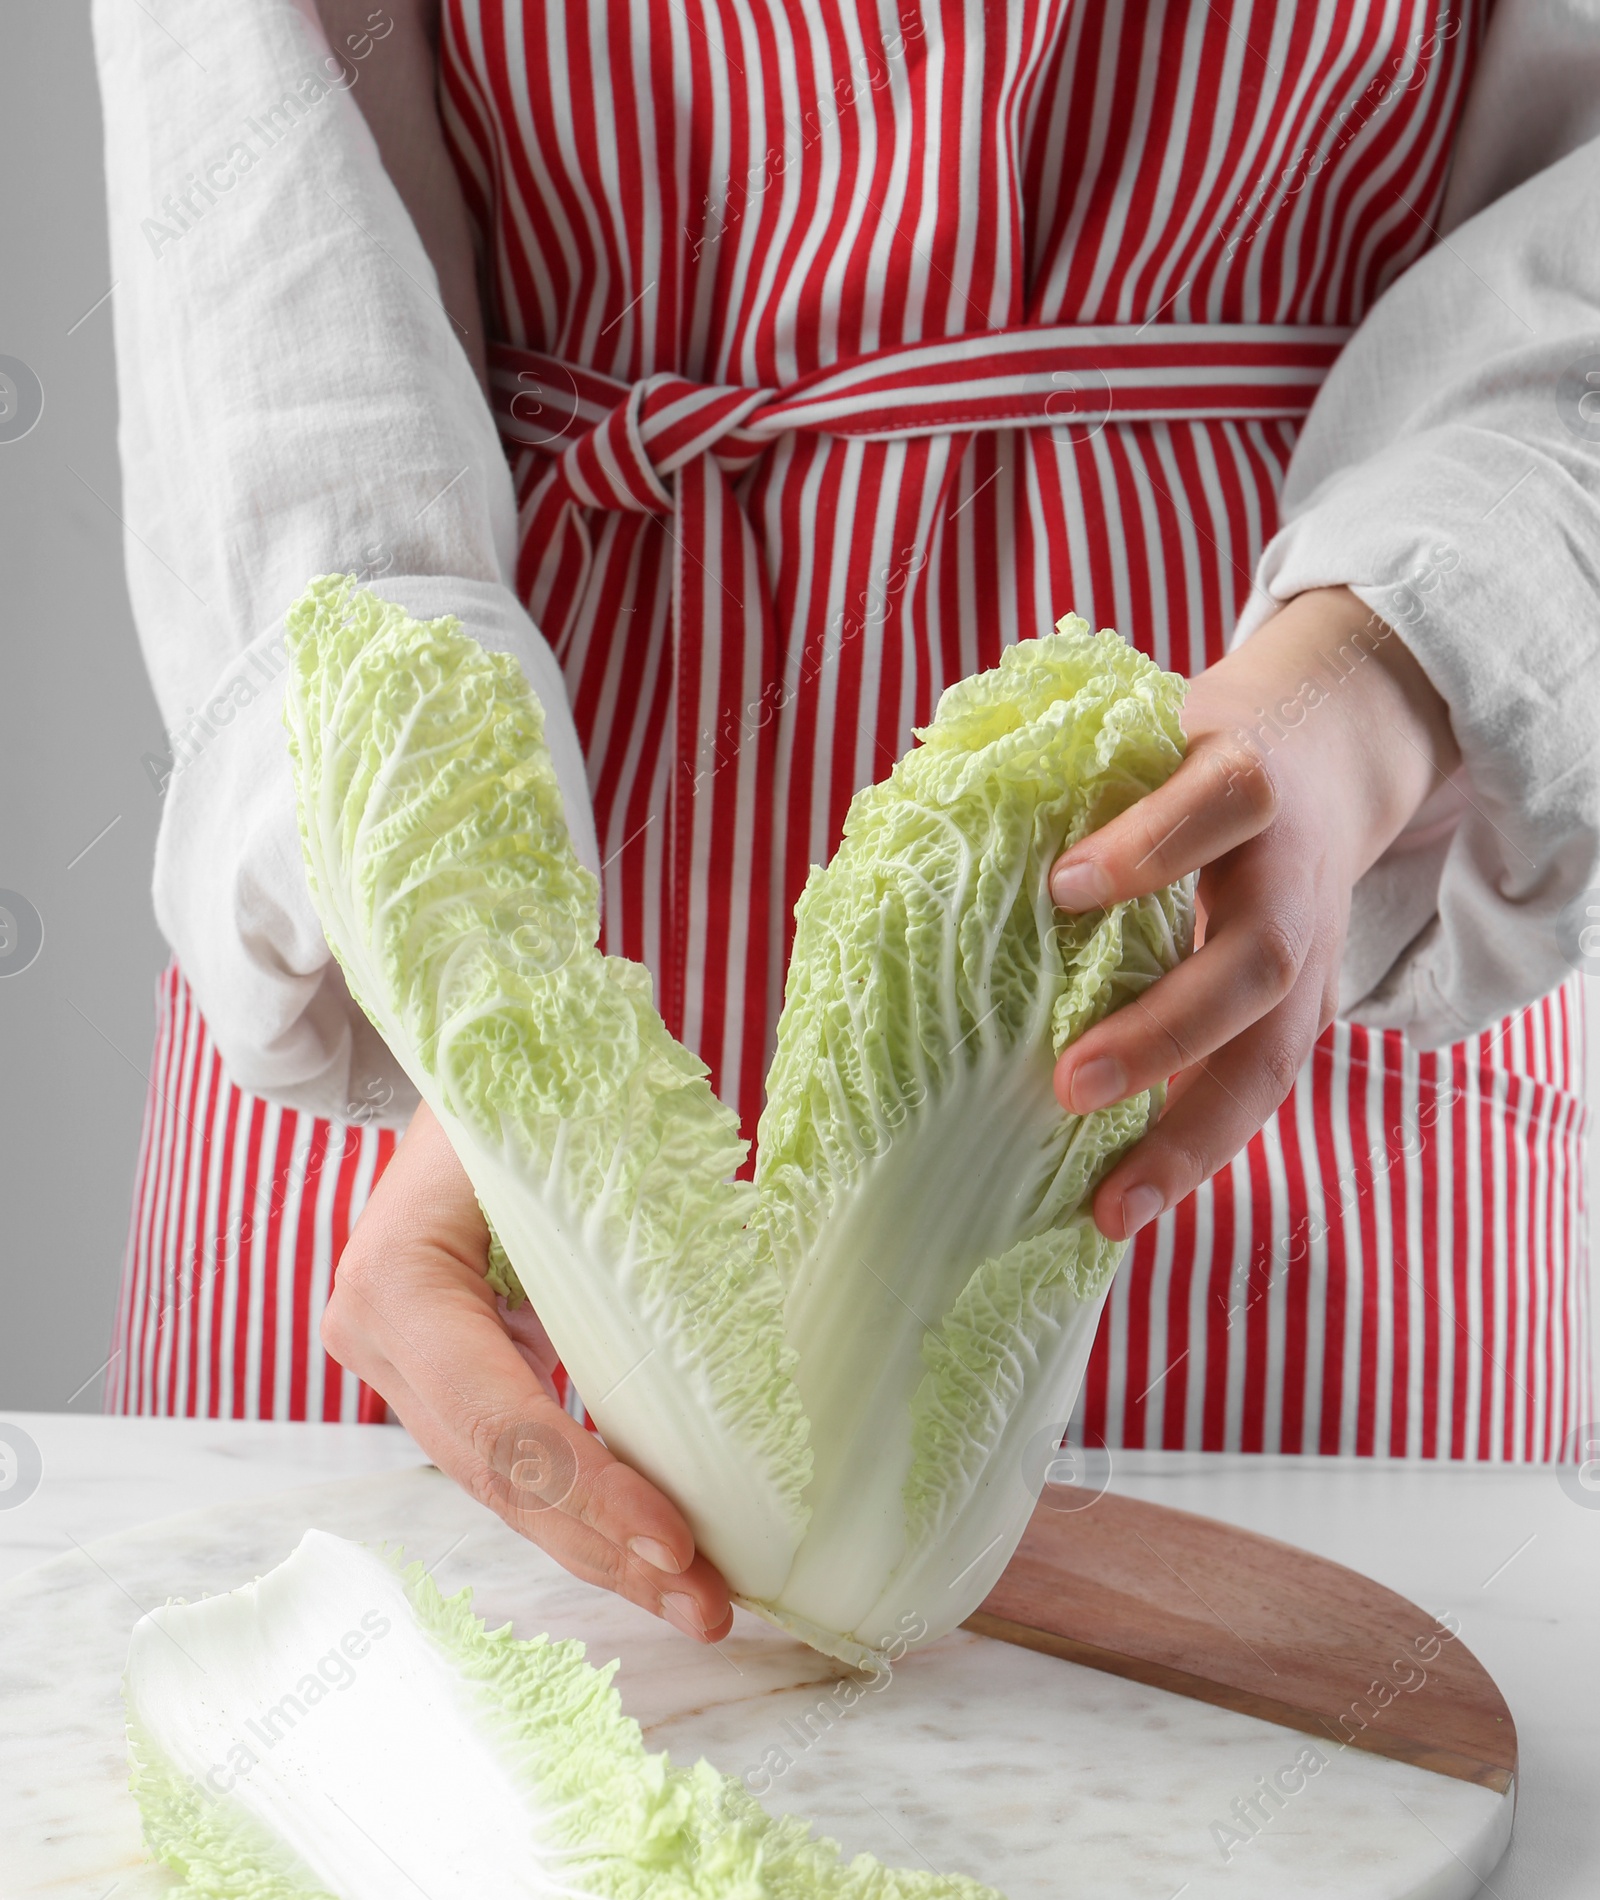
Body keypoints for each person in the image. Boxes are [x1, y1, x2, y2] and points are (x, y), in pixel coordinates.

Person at [94, 0, 1599, 1642]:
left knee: (1312, 1834)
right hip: (442, 967)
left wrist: (1375, 686)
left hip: (1270, 843)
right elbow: (267, 278)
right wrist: (469, 1011)